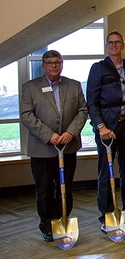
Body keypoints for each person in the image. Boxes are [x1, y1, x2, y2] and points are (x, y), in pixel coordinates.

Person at [20, 50, 88, 242]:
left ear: (62, 64)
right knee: (44, 189)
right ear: (43, 65)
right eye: (49, 63)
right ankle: (47, 225)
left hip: (68, 146)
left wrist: (70, 133)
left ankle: (63, 219)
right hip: (42, 149)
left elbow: (83, 110)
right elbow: (26, 115)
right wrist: (50, 136)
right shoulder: (30, 87)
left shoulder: (74, 86)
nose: (54, 66)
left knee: (65, 187)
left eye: (57, 62)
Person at [87, 30, 125, 231]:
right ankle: (106, 214)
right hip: (107, 128)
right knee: (106, 171)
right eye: (110, 43)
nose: (113, 45)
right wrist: (101, 126)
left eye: (117, 42)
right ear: (107, 46)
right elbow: (92, 102)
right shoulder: (98, 69)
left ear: (122, 45)